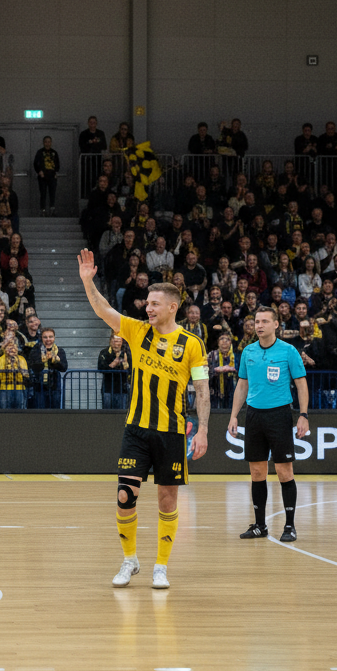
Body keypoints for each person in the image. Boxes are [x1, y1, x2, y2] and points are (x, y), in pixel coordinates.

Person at [79, 249, 209, 590]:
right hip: (136, 429)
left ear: (172, 307)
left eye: (154, 304)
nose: (147, 308)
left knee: (167, 500)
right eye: (147, 303)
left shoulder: (192, 344)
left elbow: (202, 390)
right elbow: (103, 310)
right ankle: (129, 560)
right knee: (125, 496)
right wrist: (88, 282)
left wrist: (203, 430)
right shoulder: (137, 331)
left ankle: (161, 566)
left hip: (172, 432)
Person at [227, 306, 310, 543]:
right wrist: (234, 415)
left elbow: (301, 384)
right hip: (254, 416)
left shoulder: (288, 351)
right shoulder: (248, 351)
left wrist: (303, 415)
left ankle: (290, 526)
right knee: (256, 472)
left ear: (276, 325)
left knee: (284, 471)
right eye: (257, 321)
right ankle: (260, 526)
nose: (259, 325)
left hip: (279, 415)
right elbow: (242, 385)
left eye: (264, 321)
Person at [98, 332, 131, 409]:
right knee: (107, 412)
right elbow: (101, 368)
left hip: (122, 389)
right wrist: (115, 362)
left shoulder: (126, 353)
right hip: (108, 389)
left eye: (119, 341)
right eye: (115, 341)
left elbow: (131, 368)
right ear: (110, 341)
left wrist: (125, 364)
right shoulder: (104, 353)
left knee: (121, 413)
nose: (117, 344)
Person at [33, 135, 61, 216]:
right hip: (43, 176)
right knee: (43, 193)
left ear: (51, 143)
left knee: (52, 193)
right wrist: (39, 171)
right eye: (46, 142)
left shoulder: (54, 153)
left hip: (52, 176)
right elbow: (35, 163)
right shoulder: (40, 152)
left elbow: (57, 164)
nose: (47, 144)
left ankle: (52, 210)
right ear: (43, 143)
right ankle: (43, 210)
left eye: (49, 142)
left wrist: (56, 172)